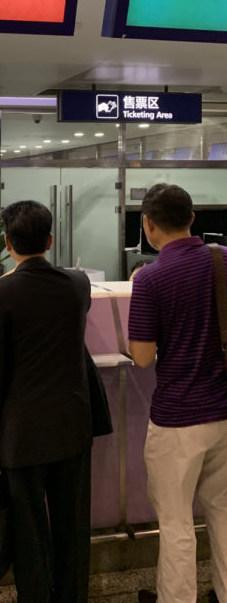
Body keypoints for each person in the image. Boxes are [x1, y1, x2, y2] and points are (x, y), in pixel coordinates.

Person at [0, 200, 93, 603]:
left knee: (30, 531)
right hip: (74, 425)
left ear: (6, 243)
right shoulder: (78, 284)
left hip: (21, 432)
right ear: (51, 240)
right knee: (72, 526)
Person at [128, 184, 227, 603]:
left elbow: (143, 358)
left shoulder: (150, 278)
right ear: (192, 218)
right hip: (224, 410)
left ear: (148, 225)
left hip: (178, 418)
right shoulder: (223, 262)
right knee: (224, 513)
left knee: (176, 522)